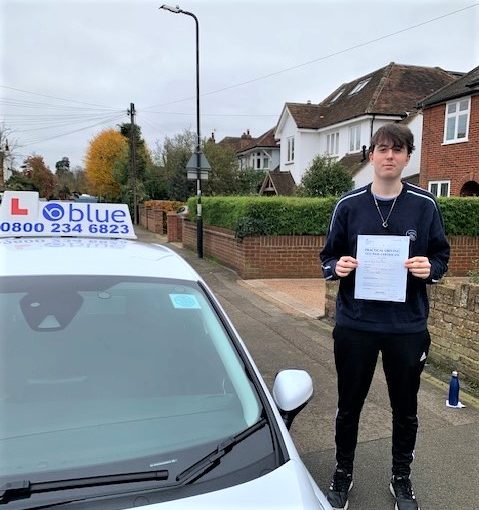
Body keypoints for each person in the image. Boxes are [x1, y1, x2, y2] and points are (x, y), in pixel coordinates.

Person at [320, 123, 450, 510]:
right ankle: (343, 472)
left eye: (397, 149)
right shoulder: (349, 205)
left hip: (406, 327)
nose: (389, 156)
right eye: (382, 149)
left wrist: (432, 268)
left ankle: (401, 476)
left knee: (405, 408)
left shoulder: (425, 205)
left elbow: (442, 256)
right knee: (349, 405)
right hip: (356, 324)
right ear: (371, 155)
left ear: (408, 157)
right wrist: (337, 267)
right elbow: (328, 255)